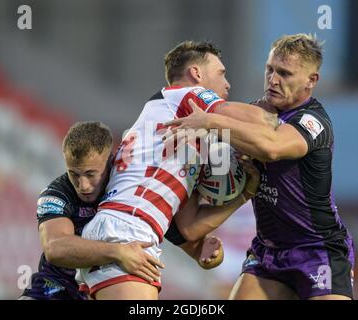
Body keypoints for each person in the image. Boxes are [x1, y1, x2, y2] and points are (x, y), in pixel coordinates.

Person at [164, 34, 355, 300]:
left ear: (311, 81)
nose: (273, 80)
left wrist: (211, 122)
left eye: (285, 73)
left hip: (317, 249)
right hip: (268, 252)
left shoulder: (313, 121)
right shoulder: (254, 114)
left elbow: (272, 147)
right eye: (270, 69)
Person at [76, 41, 261, 300]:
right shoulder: (185, 96)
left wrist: (244, 195)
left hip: (122, 230)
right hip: (128, 232)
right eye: (221, 73)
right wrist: (288, 124)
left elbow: (189, 229)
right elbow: (257, 119)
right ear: (197, 74)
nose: (228, 83)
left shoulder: (171, 128)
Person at [19, 121, 227, 300]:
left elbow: (199, 251)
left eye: (91, 174)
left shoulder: (134, 191)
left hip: (102, 291)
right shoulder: (57, 193)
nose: (82, 185)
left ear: (110, 160)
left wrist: (210, 254)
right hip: (54, 289)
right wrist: (117, 252)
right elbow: (56, 248)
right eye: (74, 174)